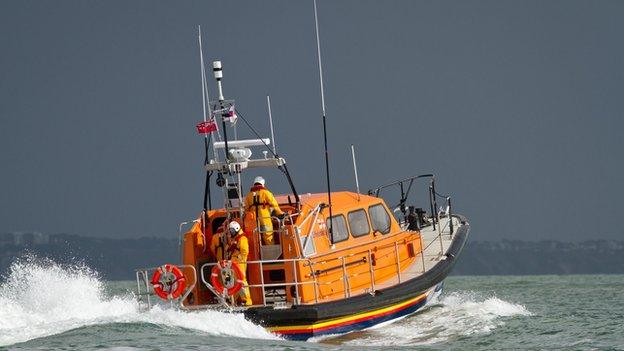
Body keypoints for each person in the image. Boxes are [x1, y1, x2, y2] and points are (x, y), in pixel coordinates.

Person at [244, 176, 284, 245]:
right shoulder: (266, 193)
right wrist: (280, 213)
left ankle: (258, 254)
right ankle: (271, 253)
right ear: (263, 184)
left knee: (255, 239)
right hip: (265, 220)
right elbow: (274, 204)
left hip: (253, 222)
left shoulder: (248, 195)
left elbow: (246, 209)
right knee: (268, 237)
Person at [227, 221, 251, 306]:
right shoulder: (236, 238)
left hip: (239, 264)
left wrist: (238, 260)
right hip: (234, 263)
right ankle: (232, 300)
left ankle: (247, 300)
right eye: (230, 231)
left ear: (236, 229)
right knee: (234, 282)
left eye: (232, 231)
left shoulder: (242, 238)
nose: (231, 233)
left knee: (242, 281)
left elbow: (245, 252)